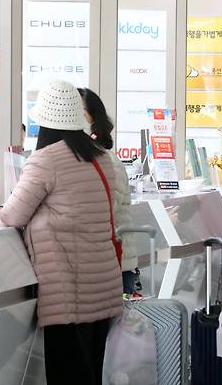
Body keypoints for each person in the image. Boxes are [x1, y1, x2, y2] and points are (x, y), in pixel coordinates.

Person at [0, 80, 122, 385]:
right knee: (92, 371)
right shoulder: (100, 157)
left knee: (67, 373)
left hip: (68, 290)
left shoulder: (45, 160)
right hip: (102, 284)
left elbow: (11, 215)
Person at [79, 87, 139, 296]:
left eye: (78, 110)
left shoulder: (106, 161)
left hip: (115, 266)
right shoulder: (89, 157)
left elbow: (103, 210)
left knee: (118, 329)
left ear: (91, 117)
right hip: (106, 264)